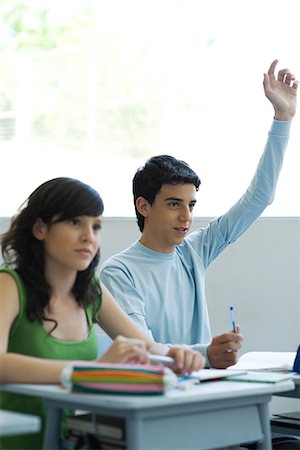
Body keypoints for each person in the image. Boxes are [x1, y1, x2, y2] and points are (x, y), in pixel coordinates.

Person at [100, 59, 298, 369]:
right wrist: (207, 354)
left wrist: (283, 118)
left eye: (191, 205)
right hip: (160, 397)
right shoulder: (119, 273)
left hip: (202, 387)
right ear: (144, 206)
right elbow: (143, 350)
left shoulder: (194, 252)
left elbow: (259, 198)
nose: (186, 217)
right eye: (174, 204)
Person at [0, 177, 205, 450]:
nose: (89, 236)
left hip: (66, 442)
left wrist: (174, 355)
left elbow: (145, 344)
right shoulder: (10, 284)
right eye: (75, 223)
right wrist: (91, 371)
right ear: (40, 228)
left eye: (96, 226)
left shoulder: (90, 289)